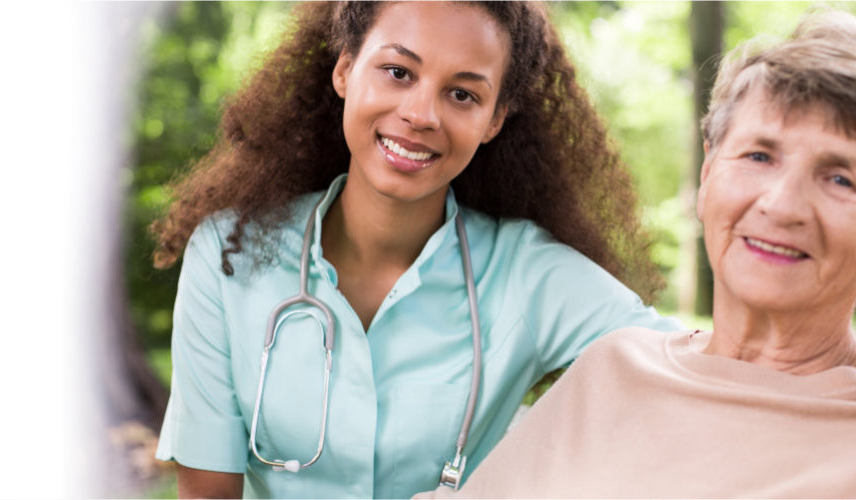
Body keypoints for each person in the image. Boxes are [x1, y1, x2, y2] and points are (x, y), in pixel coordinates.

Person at [418, 9, 856, 498]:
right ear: (709, 173)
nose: (782, 204)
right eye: (760, 156)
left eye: (839, 178)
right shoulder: (615, 370)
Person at [146, 2, 680, 498]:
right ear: (345, 69)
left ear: (494, 119)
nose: (422, 113)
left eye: (463, 94)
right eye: (398, 72)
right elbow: (208, 492)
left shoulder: (530, 274)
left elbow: (704, 372)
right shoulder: (228, 254)